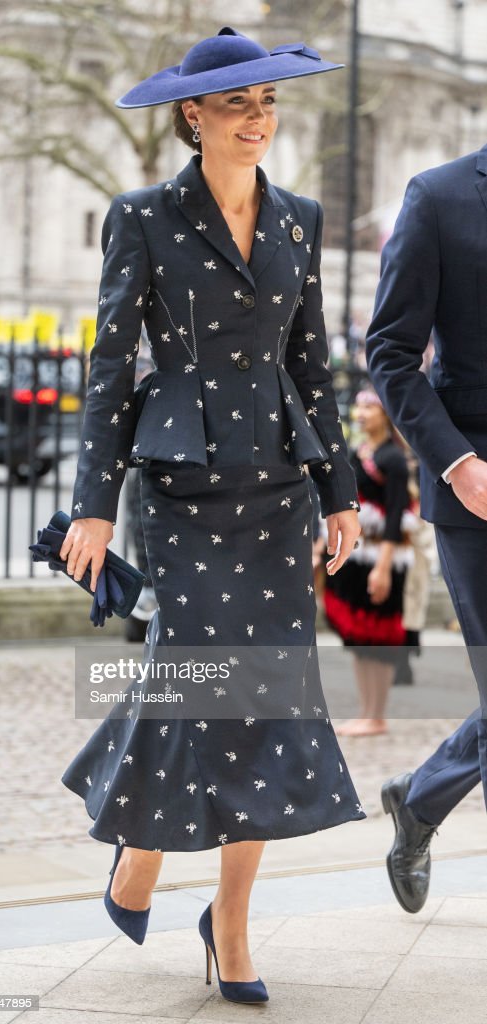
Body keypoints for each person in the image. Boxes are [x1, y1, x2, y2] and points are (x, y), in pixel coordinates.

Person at [58, 26, 366, 1002]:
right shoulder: (141, 216)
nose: (257, 119)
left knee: (267, 694)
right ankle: (144, 846)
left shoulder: (299, 219)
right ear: (193, 115)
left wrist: (340, 490)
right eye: (238, 104)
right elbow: (110, 368)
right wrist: (92, 508)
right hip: (182, 483)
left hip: (276, 482)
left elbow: (312, 364)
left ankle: (228, 919)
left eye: (267, 102)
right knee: (190, 675)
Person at [366, 143, 487, 913]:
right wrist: (457, 463)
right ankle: (418, 804)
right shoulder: (438, 197)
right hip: (476, 489)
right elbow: (389, 351)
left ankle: (419, 801)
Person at [321, 388, 417, 736]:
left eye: (369, 408)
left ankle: (376, 715)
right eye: (359, 407)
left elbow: (396, 516)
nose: (361, 414)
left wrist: (383, 568)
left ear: (385, 415)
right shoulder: (358, 453)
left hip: (382, 557)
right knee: (360, 640)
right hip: (358, 558)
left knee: (379, 639)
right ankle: (365, 711)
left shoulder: (393, 459)